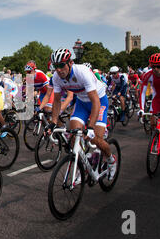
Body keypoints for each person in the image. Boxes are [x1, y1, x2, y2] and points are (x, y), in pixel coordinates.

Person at [46, 48, 117, 178]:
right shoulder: (56, 77)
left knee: (96, 140)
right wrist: (53, 123)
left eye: (61, 65)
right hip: (81, 103)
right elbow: (56, 102)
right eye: (55, 66)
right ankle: (82, 164)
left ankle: (111, 160)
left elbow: (95, 102)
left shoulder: (81, 72)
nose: (58, 70)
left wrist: (90, 126)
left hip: (99, 101)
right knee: (74, 137)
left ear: (70, 63)